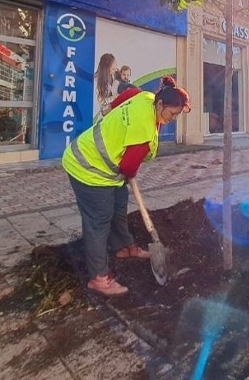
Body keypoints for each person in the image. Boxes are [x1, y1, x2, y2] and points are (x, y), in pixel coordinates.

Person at [62, 76, 191, 296]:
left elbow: (130, 93)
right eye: (171, 114)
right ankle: (99, 278)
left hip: (107, 169)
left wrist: (110, 108)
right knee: (98, 221)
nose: (172, 119)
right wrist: (130, 172)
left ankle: (124, 247)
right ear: (160, 104)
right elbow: (128, 167)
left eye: (176, 116)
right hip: (87, 167)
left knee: (119, 205)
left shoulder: (147, 97)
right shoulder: (143, 130)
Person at [94, 53, 118, 120]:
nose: (115, 70)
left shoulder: (114, 75)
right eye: (113, 69)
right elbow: (101, 103)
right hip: (102, 117)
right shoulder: (96, 82)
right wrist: (114, 97)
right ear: (105, 70)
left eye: (116, 66)